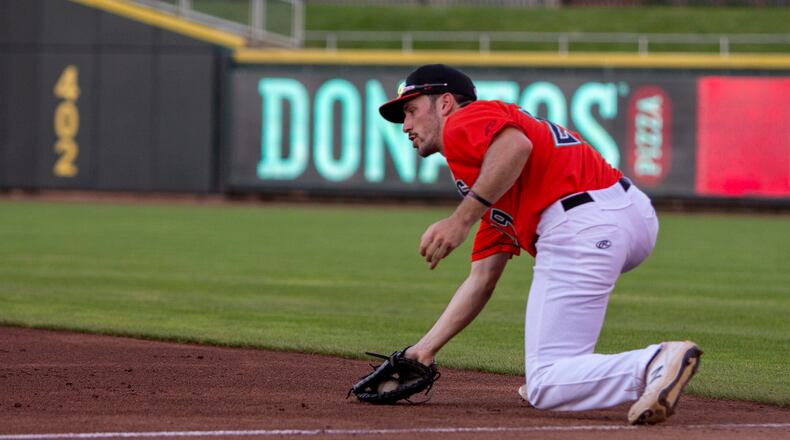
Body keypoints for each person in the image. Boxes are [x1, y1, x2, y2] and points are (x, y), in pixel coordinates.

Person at [378, 64, 702, 424]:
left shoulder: (462, 122)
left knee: (547, 383)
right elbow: (482, 279)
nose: (405, 125)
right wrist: (424, 350)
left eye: (411, 110)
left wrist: (460, 219)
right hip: (630, 216)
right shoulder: (489, 183)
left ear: (445, 103)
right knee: (550, 373)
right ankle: (580, 372)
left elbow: (516, 145)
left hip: (581, 224)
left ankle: (653, 363)